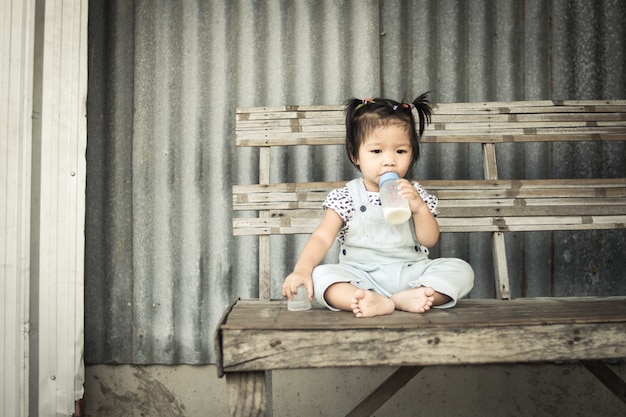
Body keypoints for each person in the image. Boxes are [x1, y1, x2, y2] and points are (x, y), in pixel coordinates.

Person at [281, 94, 474, 318]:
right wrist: (302, 270)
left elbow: (429, 240)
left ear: (412, 154)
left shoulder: (414, 194)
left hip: (411, 273)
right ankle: (369, 300)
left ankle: (413, 295)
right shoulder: (347, 197)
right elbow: (322, 237)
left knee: (462, 270)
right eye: (376, 151)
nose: (389, 160)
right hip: (361, 276)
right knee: (323, 276)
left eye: (401, 151)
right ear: (355, 155)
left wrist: (419, 208)